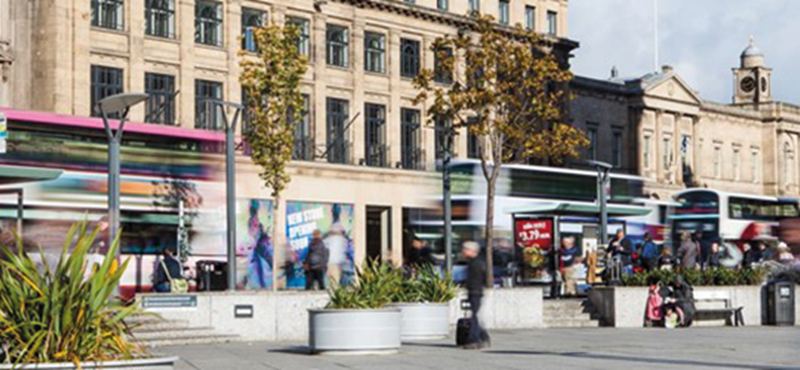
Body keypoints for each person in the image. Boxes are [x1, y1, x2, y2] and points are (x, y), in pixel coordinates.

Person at [463, 241, 490, 350]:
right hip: (475, 291)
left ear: (471, 251)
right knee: (474, 315)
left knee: (474, 316)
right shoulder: (475, 262)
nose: (463, 251)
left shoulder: (476, 263)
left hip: (475, 291)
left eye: (465, 249)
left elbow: (477, 278)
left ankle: (475, 338)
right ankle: (483, 336)